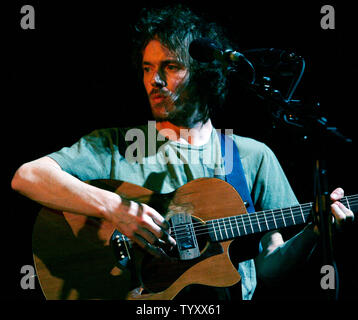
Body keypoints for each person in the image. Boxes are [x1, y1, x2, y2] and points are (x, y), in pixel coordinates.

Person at [11, 4, 354, 300]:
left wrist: (314, 232)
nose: (154, 80)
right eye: (147, 68)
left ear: (204, 75)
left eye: (170, 67)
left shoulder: (252, 156)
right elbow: (27, 176)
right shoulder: (115, 144)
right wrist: (116, 208)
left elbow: (271, 266)